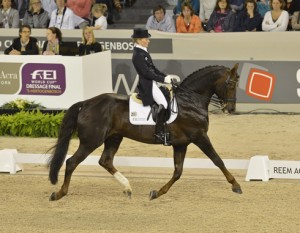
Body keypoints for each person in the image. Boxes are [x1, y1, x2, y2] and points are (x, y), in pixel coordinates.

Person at [131, 28, 174, 146]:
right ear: (139, 40)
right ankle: (159, 133)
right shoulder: (137, 55)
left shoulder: (143, 51)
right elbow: (146, 73)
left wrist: (165, 77)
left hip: (152, 82)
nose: (148, 41)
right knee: (164, 104)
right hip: (147, 84)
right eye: (146, 39)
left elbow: (153, 69)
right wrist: (162, 79)